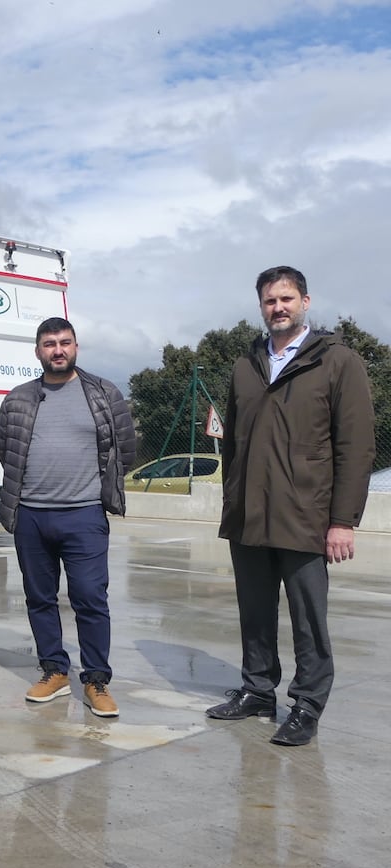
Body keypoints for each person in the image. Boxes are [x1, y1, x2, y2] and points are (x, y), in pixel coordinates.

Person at [207, 266, 375, 746]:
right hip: (249, 514)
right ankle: (257, 690)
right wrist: (233, 497)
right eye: (268, 301)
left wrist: (343, 521)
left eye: (286, 299)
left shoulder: (337, 361)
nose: (277, 308)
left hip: (307, 514)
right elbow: (233, 443)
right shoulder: (246, 364)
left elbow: (356, 446)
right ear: (260, 307)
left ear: (305, 301)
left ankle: (306, 704)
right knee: (254, 611)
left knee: (308, 618)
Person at [0, 317, 136, 717]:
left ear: (76, 346)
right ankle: (54, 671)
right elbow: (7, 448)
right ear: (38, 350)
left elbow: (124, 450)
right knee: (40, 598)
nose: (58, 350)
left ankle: (95, 680)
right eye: (49, 344)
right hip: (31, 517)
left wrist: (97, 489)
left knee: (90, 598)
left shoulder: (104, 393)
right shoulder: (19, 399)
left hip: (84, 515)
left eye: (65, 342)